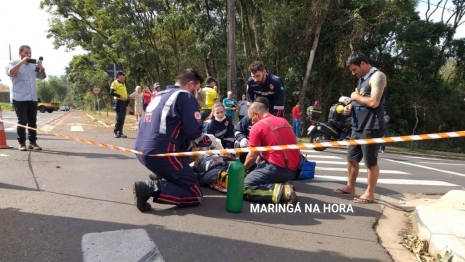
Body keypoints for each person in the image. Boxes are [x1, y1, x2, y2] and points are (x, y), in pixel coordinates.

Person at [132, 68, 223, 212]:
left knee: (187, 152)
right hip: (162, 153)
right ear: (191, 84)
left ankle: (161, 175)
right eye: (197, 89)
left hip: (141, 149)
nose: (196, 93)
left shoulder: (160, 95)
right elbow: (195, 134)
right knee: (195, 194)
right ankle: (151, 188)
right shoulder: (185, 96)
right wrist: (212, 141)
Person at [332, 52, 387, 204]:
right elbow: (359, 100)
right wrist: (350, 105)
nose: (353, 73)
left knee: (370, 161)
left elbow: (374, 102)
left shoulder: (377, 76)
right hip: (358, 126)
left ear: (363, 64)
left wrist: (355, 97)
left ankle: (369, 193)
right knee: (351, 158)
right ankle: (350, 186)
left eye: (354, 69)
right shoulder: (361, 80)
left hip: (372, 126)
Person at [243, 101, 299, 205]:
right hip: (293, 169)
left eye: (251, 119)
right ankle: (283, 183)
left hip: (277, 168)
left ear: (256, 114)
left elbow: (252, 156)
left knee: (244, 187)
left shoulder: (257, 126)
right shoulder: (284, 121)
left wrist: (242, 170)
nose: (251, 122)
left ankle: (283, 192)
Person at [6, 45, 46, 151]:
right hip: (19, 97)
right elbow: (10, 72)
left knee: (32, 121)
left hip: (32, 97)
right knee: (22, 120)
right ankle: (22, 143)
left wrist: (42, 68)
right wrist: (21, 62)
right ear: (20, 53)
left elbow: (42, 77)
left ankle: (33, 142)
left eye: (30, 53)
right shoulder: (13, 63)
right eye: (26, 53)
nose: (28, 55)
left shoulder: (34, 65)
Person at [233, 97, 270, 165]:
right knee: (237, 143)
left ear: (267, 110)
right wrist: (242, 139)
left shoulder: (270, 121)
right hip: (247, 145)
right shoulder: (247, 118)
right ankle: (239, 163)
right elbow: (237, 130)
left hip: (262, 149)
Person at [110, 71, 129, 138]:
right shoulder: (115, 83)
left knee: (123, 118)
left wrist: (127, 104)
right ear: (119, 76)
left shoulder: (123, 84)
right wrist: (120, 96)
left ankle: (120, 132)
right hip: (118, 102)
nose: (124, 77)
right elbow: (111, 92)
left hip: (124, 103)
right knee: (119, 118)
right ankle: (115, 131)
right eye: (123, 75)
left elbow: (125, 94)